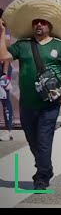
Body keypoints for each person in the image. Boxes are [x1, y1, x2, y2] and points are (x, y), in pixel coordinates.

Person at [0, 0, 61, 190]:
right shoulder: (23, 45)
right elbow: (4, 56)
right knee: (32, 139)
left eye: (43, 22)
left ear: (50, 26)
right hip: (27, 103)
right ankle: (46, 167)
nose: (39, 26)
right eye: (36, 22)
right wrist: (2, 33)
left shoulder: (60, 47)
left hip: (50, 102)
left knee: (44, 139)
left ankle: (41, 176)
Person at [0, 7, 14, 141]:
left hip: (2, 70)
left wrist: (4, 74)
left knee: (4, 100)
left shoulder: (5, 34)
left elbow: (7, 57)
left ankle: (8, 130)